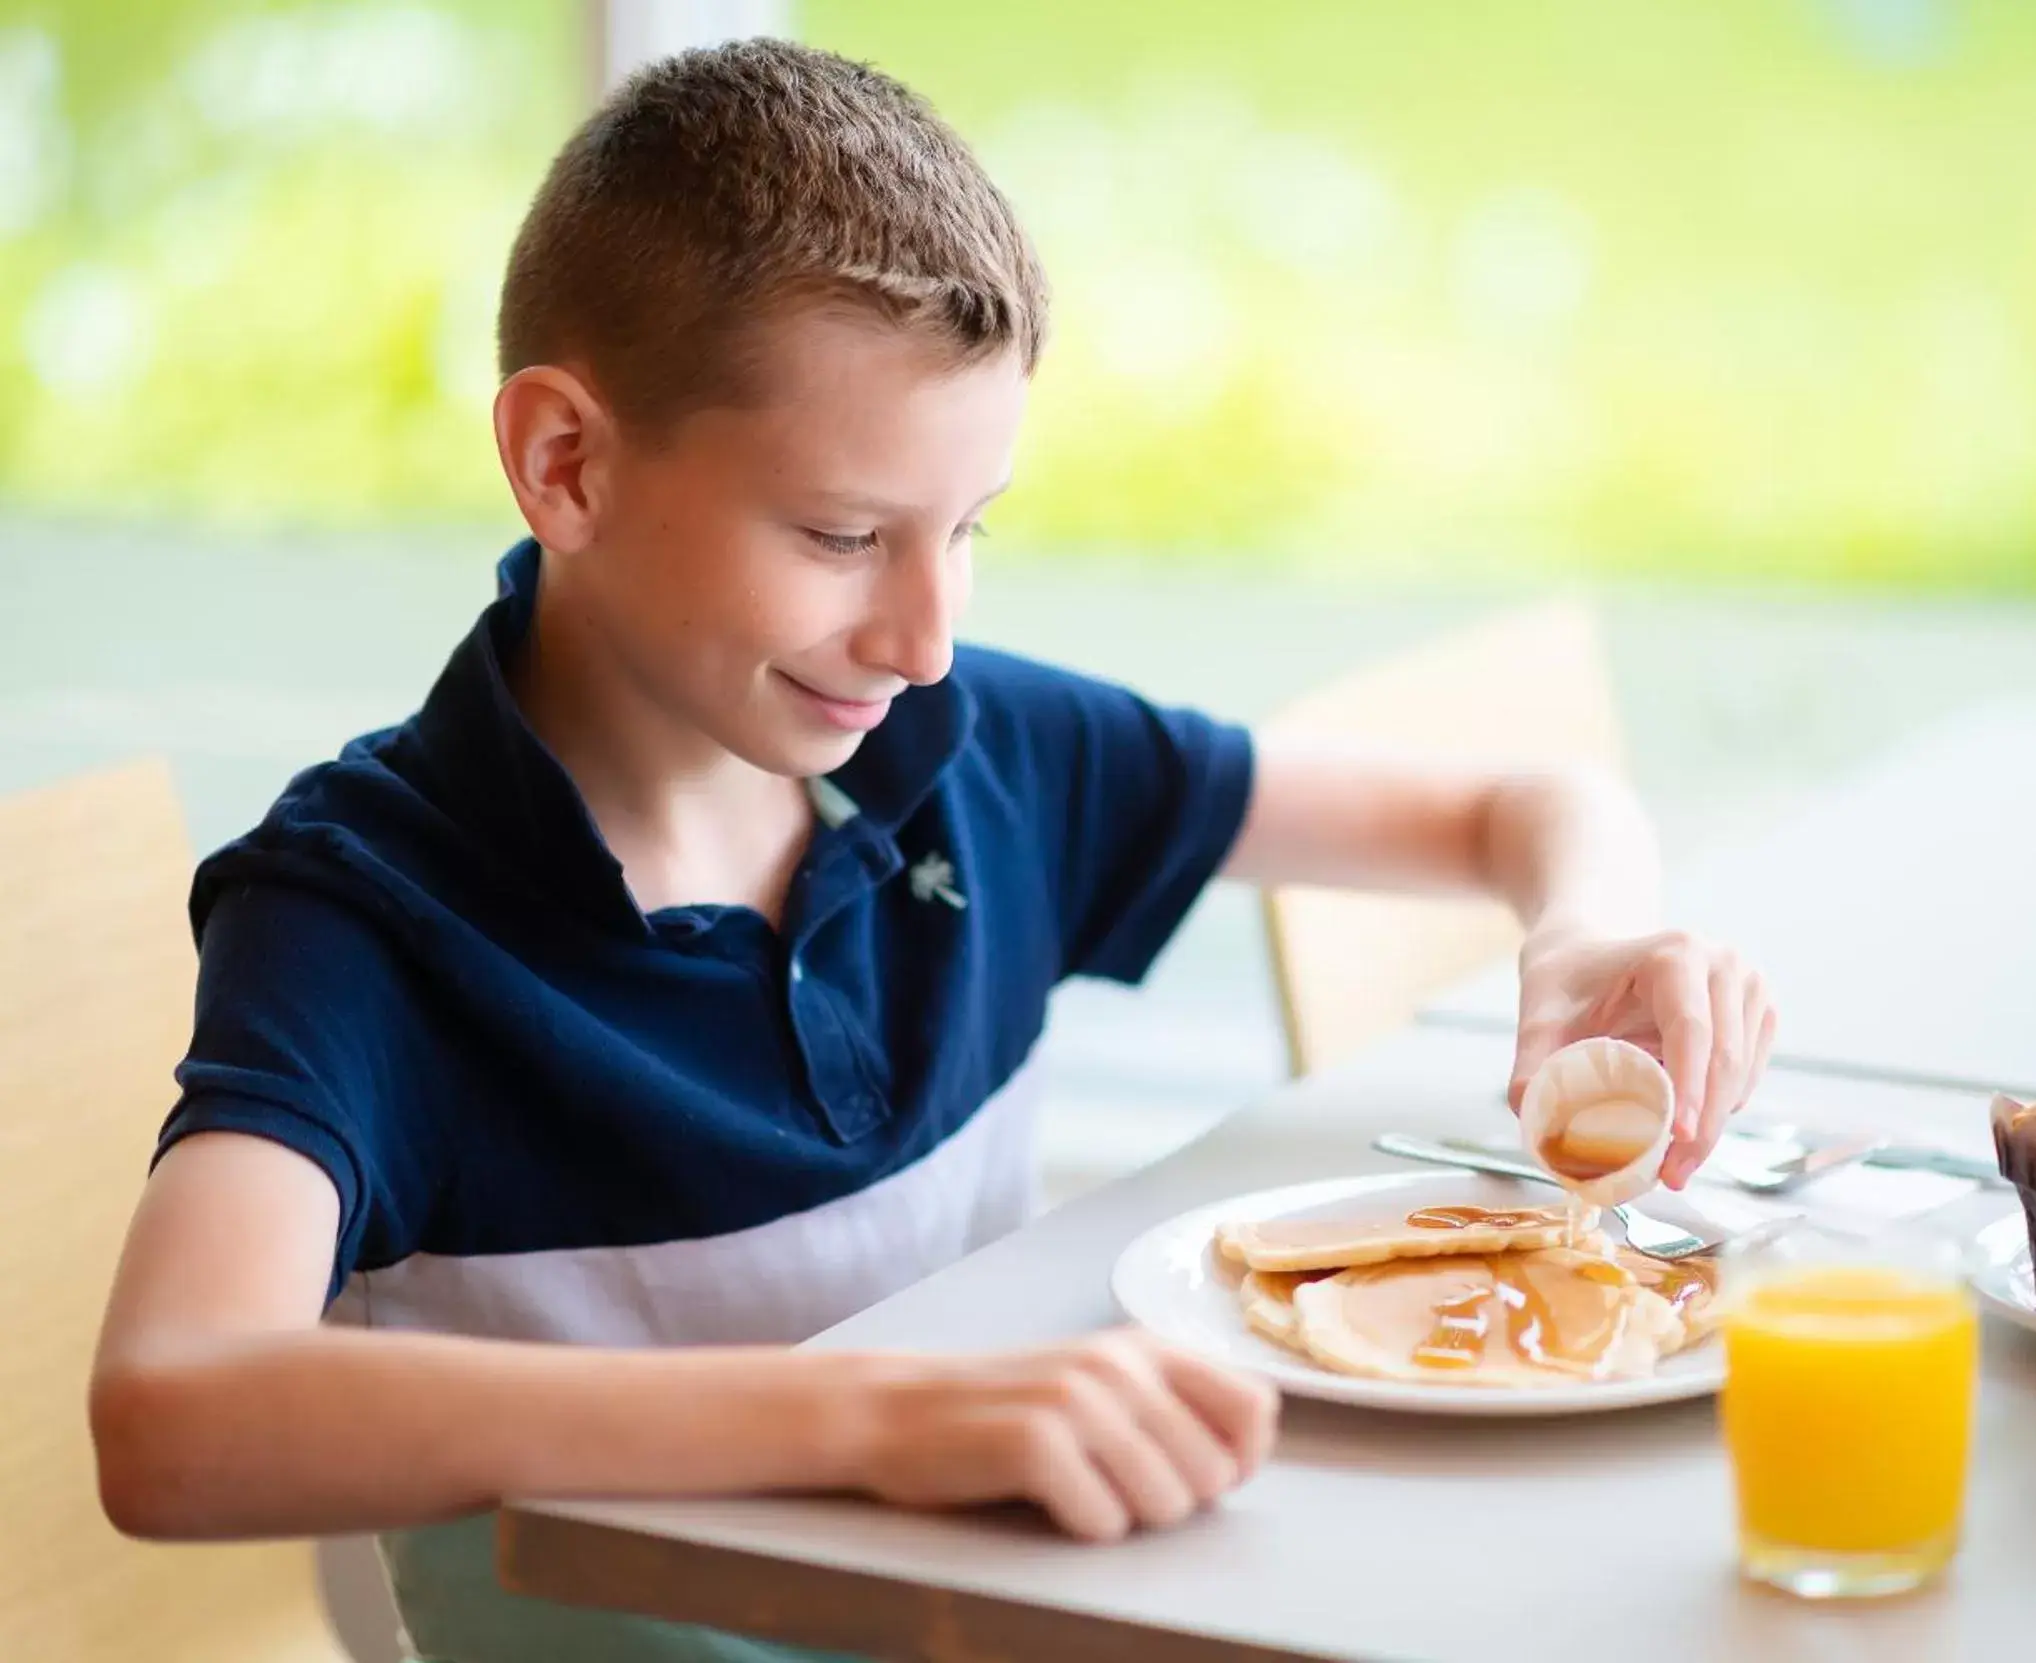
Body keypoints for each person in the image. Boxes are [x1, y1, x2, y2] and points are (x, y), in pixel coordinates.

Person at [88, 38, 1773, 1662]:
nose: (923, 637)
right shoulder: (367, 916)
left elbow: (1527, 807)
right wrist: (875, 1412)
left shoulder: (976, 759)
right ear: (566, 461)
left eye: (968, 530)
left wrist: (1586, 935)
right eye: (842, 535)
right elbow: (170, 1408)